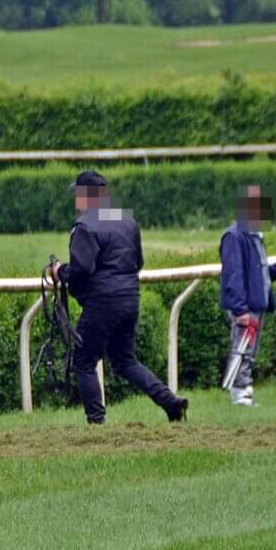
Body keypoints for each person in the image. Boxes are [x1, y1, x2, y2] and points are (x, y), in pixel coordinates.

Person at [51, 171, 188, 424]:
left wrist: (61, 272)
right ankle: (171, 403)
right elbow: (138, 262)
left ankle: (96, 422)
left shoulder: (84, 225)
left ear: (85, 195)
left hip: (102, 303)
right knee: (125, 360)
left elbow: (82, 269)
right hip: (130, 298)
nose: (75, 200)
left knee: (84, 361)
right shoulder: (126, 220)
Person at [219, 185, 276, 407]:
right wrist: (240, 309)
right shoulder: (234, 236)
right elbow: (233, 276)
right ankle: (239, 394)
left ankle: (246, 391)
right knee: (242, 350)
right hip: (246, 306)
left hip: (258, 303)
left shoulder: (255, 235)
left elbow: (260, 273)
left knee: (249, 352)